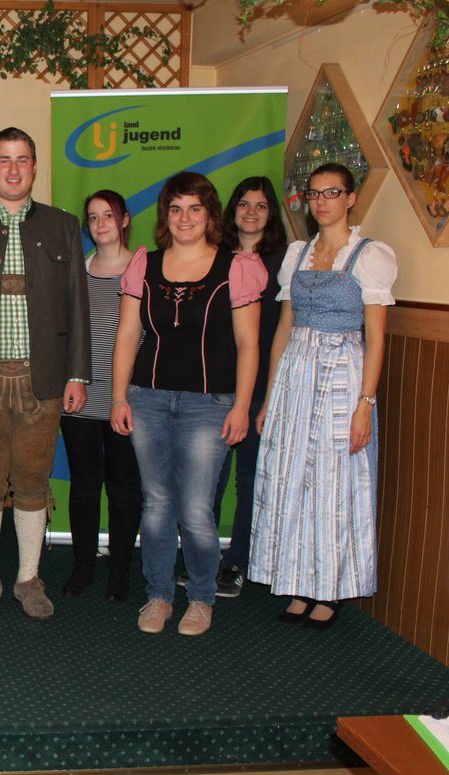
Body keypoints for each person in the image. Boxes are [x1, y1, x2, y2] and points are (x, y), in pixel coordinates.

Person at [111, 171, 266, 637]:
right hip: (147, 399)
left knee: (197, 510)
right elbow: (127, 335)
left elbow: (249, 344)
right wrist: (119, 397)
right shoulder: (144, 265)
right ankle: (159, 595)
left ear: (210, 214)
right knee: (157, 504)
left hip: (210, 404)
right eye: (176, 208)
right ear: (166, 215)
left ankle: (200, 598)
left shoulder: (236, 268)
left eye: (194, 208)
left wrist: (241, 406)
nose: (184, 218)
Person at [248, 163, 397, 629]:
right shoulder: (299, 253)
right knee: (292, 477)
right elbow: (284, 329)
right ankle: (297, 581)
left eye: (332, 193)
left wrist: (365, 405)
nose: (322, 202)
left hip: (342, 375)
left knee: (334, 483)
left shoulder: (369, 255)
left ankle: (329, 589)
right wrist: (270, 397)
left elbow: (376, 337)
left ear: (350, 199)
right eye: (314, 194)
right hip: (296, 372)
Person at [0, 127, 91, 621]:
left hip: (43, 380)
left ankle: (28, 577)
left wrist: (78, 374)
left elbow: (77, 303)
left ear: (34, 166)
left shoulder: (62, 224)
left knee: (33, 480)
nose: (13, 170)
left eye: (22, 160)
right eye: (4, 160)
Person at [59, 190, 144, 601]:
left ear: (124, 220)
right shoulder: (79, 269)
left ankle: (120, 568)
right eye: (92, 218)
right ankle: (83, 565)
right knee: (85, 483)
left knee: (124, 485)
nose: (100, 224)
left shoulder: (143, 268)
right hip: (81, 394)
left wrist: (124, 394)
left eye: (108, 216)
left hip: (127, 397)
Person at [206, 177, 287, 600]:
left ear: (271, 214)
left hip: (260, 389)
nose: (251, 212)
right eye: (243, 204)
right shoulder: (214, 257)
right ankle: (204, 560)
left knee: (250, 480)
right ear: (231, 210)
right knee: (210, 479)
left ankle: (237, 561)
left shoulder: (285, 262)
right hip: (216, 385)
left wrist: (270, 395)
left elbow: (283, 331)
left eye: (260, 205)